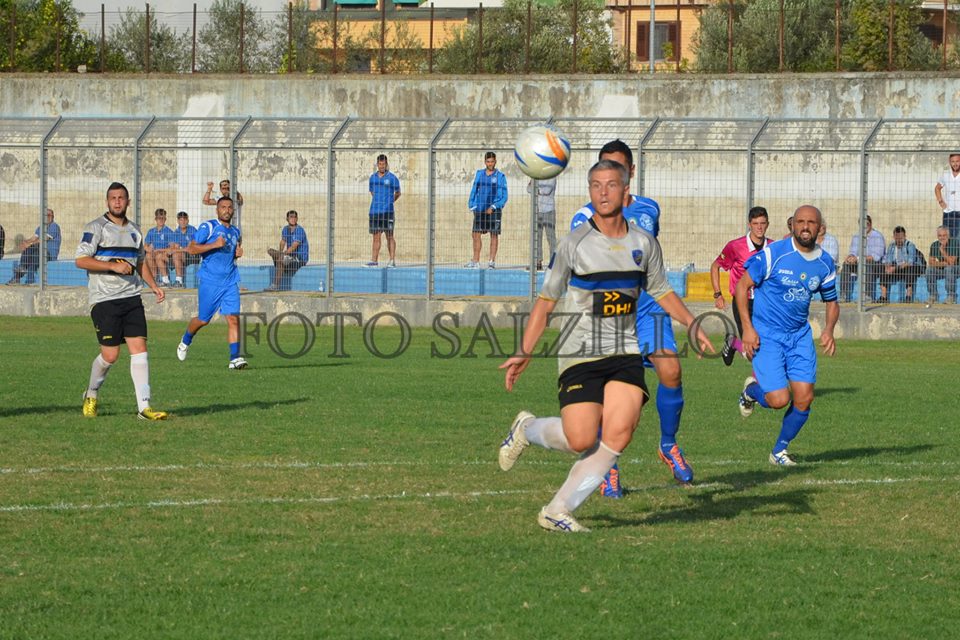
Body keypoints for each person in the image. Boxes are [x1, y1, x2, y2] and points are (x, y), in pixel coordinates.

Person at [496, 160, 711, 533]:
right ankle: (527, 429)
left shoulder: (643, 244)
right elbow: (547, 301)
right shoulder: (574, 243)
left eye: (611, 185)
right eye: (595, 185)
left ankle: (557, 510)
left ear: (626, 191)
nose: (602, 192)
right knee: (580, 437)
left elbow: (659, 289)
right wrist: (525, 349)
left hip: (624, 348)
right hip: (579, 350)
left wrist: (692, 323)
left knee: (619, 433)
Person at [569, 140, 697, 495]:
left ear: (630, 175)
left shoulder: (649, 209)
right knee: (611, 397)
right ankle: (607, 465)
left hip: (648, 307)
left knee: (671, 369)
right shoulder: (582, 217)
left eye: (618, 169)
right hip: (609, 313)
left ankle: (669, 445)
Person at [736, 204, 839, 466]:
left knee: (804, 398)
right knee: (779, 400)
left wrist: (828, 329)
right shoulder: (773, 254)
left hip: (799, 336)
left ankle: (779, 451)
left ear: (820, 228)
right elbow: (742, 286)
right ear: (792, 225)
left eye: (811, 222)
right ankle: (751, 391)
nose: (805, 227)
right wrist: (748, 329)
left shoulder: (824, 263)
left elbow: (832, 302)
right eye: (801, 222)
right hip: (768, 335)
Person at [75, 182, 167, 420]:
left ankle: (144, 407)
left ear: (128, 201)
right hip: (104, 299)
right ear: (107, 201)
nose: (117, 202)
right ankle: (92, 393)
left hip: (131, 297)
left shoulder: (136, 230)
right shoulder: (96, 227)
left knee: (140, 350)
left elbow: (140, 263)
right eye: (113, 198)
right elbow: (81, 260)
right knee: (110, 356)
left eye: (121, 198)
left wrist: (154, 286)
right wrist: (111, 266)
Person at [176, 196, 247, 370]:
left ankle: (235, 358)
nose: (227, 210)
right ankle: (185, 340)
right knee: (203, 320)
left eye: (230, 207)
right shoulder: (208, 227)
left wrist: (237, 253)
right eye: (223, 207)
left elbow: (233, 251)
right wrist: (214, 244)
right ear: (217, 209)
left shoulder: (236, 232)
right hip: (210, 282)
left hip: (230, 281)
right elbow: (192, 248)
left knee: (233, 318)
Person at [711, 205, 773, 366]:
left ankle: (733, 342)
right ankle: (757, 387)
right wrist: (718, 294)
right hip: (743, 302)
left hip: (766, 304)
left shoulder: (773, 247)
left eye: (762, 223)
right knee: (753, 351)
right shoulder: (735, 246)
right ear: (749, 224)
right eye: (755, 223)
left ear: (767, 224)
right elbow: (715, 266)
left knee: (766, 348)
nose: (759, 227)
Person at [466, 151, 507, 269]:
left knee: (494, 235)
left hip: (494, 210)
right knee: (475, 234)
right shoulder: (480, 174)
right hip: (480, 209)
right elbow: (474, 190)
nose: (490, 164)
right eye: (488, 162)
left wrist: (494, 206)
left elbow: (504, 196)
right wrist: (472, 205)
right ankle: (475, 261)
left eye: (492, 161)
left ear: (495, 162)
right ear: (485, 162)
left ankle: (491, 262)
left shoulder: (500, 176)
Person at [838, 214, 885, 303]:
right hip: (860, 263)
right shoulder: (856, 237)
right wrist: (850, 257)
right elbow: (853, 251)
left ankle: (868, 296)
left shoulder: (878, 236)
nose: (864, 226)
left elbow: (876, 257)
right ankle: (843, 295)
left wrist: (858, 258)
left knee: (867, 264)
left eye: (866, 224)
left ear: (870, 224)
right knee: (846, 264)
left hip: (876, 265)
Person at [7, 208, 61, 285]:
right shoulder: (40, 227)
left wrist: (30, 244)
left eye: (50, 215)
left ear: (53, 217)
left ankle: (27, 278)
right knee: (30, 253)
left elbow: (43, 239)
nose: (48, 217)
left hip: (49, 254)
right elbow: (34, 238)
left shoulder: (54, 226)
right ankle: (19, 273)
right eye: (46, 215)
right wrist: (25, 243)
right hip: (39, 252)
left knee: (33, 254)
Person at [366, 154, 401, 268]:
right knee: (376, 237)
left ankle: (392, 260)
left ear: (386, 164)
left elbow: (398, 193)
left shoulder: (392, 178)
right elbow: (372, 192)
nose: (382, 166)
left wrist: (389, 202)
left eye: (383, 164)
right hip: (375, 212)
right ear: (377, 164)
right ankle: (374, 261)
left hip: (388, 212)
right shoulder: (373, 178)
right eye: (380, 164)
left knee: (389, 236)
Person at [266, 209, 309, 291]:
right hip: (290, 256)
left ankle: (275, 286)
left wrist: (282, 254)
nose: (293, 219)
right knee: (271, 251)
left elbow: (293, 247)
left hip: (299, 258)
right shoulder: (286, 229)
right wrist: (280, 252)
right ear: (287, 218)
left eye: (295, 217)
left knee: (281, 259)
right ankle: (281, 261)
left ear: (297, 219)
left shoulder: (299, 230)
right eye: (291, 217)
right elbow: (282, 242)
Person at [879, 226, 923, 303]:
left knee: (910, 269)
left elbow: (910, 262)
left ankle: (908, 296)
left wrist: (895, 268)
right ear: (894, 237)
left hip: (910, 268)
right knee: (882, 268)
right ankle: (883, 296)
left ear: (905, 236)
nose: (899, 240)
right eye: (897, 238)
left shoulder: (910, 245)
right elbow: (888, 260)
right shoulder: (891, 246)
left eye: (901, 238)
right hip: (897, 268)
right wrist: (887, 267)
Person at [527, 177, 557, 270]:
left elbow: (546, 190)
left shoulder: (552, 176)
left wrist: (534, 187)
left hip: (549, 210)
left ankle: (554, 262)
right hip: (537, 210)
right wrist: (534, 188)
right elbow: (528, 189)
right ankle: (537, 262)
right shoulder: (536, 176)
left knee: (551, 238)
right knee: (537, 237)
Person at [925, 225, 959, 304]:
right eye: (940, 235)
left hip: (957, 268)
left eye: (944, 235)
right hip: (944, 269)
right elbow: (931, 262)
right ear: (937, 236)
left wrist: (942, 250)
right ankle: (933, 296)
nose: (942, 238)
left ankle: (951, 296)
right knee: (929, 270)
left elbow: (952, 262)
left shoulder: (955, 243)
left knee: (949, 268)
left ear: (948, 235)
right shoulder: (934, 245)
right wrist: (943, 264)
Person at [144, 208, 174, 287]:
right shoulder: (151, 231)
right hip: (154, 253)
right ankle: (155, 279)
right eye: (159, 218)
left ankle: (166, 281)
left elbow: (172, 248)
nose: (161, 220)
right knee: (148, 255)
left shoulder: (169, 231)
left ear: (165, 219)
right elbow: (145, 245)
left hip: (165, 255)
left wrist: (160, 250)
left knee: (159, 256)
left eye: (162, 218)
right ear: (155, 219)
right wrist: (148, 249)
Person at [935, 153, 960, 241]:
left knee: (958, 240)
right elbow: (937, 188)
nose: (955, 164)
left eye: (957, 161)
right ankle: (948, 255)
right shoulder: (946, 175)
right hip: (948, 212)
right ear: (949, 162)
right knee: (947, 239)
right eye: (953, 161)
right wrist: (940, 201)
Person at [170, 211, 199, 288]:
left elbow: (190, 248)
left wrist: (179, 249)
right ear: (178, 221)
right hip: (181, 256)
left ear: (188, 220)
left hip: (193, 256)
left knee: (176, 254)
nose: (183, 222)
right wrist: (180, 249)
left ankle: (179, 281)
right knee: (168, 256)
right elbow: (174, 247)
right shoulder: (176, 232)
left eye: (184, 220)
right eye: (180, 220)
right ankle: (175, 281)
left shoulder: (192, 230)